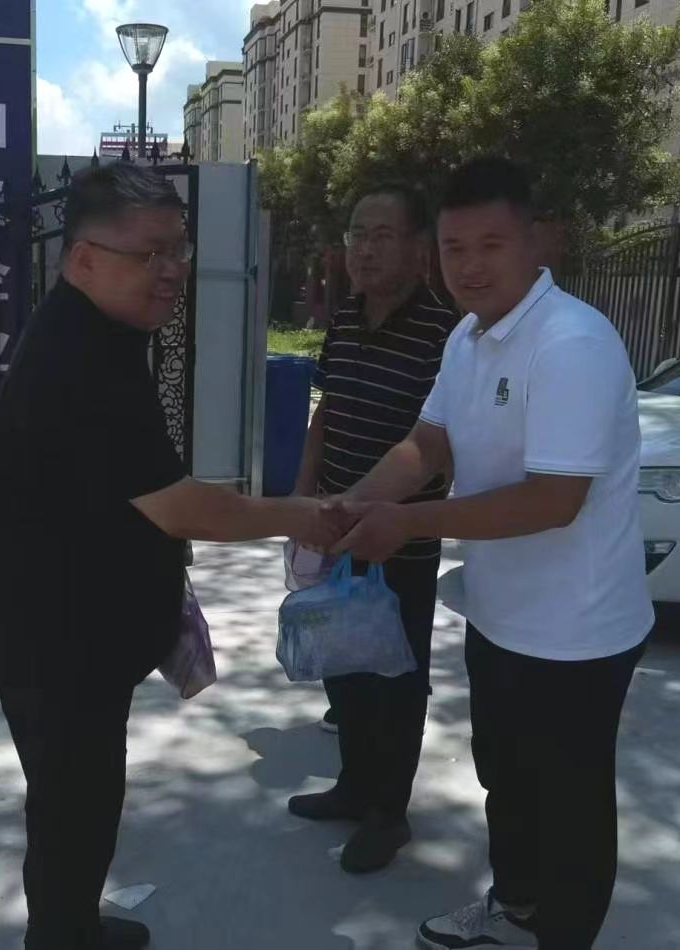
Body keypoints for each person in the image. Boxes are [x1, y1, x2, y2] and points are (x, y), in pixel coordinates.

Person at [0, 163, 345, 950]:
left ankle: (70, 922)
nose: (172, 270)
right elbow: (182, 506)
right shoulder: (84, 359)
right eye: (150, 254)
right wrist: (302, 514)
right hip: (56, 645)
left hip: (60, 631)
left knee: (73, 805)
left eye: (178, 249)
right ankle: (61, 936)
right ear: (83, 259)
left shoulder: (98, 333)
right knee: (74, 810)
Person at [331, 157, 653, 950]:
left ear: (534, 241)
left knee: (568, 803)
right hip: (498, 612)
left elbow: (552, 500)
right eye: (453, 248)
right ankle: (515, 907)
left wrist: (406, 524)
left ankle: (561, 935)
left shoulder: (571, 343)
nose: (469, 266)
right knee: (504, 777)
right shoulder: (468, 337)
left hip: (577, 632)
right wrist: (351, 505)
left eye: (489, 245)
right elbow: (425, 444)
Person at [289, 184, 457, 873]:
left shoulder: (445, 334)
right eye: (357, 234)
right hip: (333, 525)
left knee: (395, 674)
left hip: (399, 537)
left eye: (381, 236)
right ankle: (354, 785)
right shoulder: (346, 319)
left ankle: (389, 813)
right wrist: (302, 497)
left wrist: (374, 508)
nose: (363, 249)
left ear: (418, 250)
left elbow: (437, 448)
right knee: (343, 660)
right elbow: (326, 413)